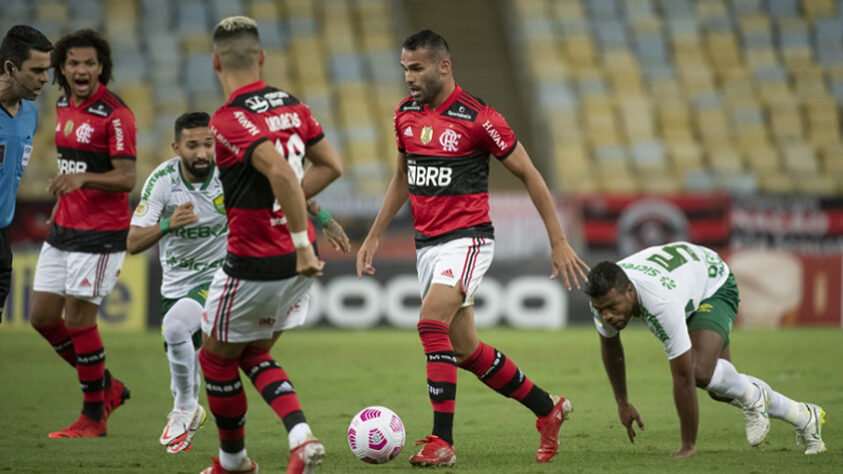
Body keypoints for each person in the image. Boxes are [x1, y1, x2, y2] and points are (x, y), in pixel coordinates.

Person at [356, 30, 590, 467]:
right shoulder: (404, 114)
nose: (408, 77)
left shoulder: (479, 118)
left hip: (467, 239)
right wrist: (372, 236)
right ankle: (547, 409)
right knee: (465, 350)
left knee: (430, 325)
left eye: (417, 68)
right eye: (405, 68)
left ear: (443, 66)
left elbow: (531, 174)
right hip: (428, 245)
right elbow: (402, 178)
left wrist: (558, 241)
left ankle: (441, 442)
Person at [127, 112, 351, 455]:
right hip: (175, 286)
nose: (202, 153)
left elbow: (285, 186)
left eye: (208, 144)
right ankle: (212, 425)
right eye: (192, 146)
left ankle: (187, 411)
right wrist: (169, 224)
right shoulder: (162, 181)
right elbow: (133, 242)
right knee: (204, 350)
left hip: (225, 276)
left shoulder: (229, 170)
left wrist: (324, 219)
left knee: (177, 330)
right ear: (176, 147)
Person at [201, 16, 343, 474]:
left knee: (215, 359)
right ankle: (301, 437)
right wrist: (298, 220)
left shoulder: (228, 119)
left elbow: (281, 173)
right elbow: (331, 166)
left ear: (215, 61)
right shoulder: (293, 105)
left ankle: (233, 463)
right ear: (261, 58)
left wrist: (302, 239)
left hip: (254, 261)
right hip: (293, 265)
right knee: (254, 352)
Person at [585, 241, 827, 457]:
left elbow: (683, 377)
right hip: (685, 283)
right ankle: (804, 416)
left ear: (629, 291)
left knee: (699, 372)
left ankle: (754, 396)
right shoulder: (603, 298)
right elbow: (611, 347)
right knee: (721, 388)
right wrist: (622, 402)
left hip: (713, 285)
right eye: (601, 309)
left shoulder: (660, 304)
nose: (607, 315)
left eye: (612, 307)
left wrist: (687, 445)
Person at [29, 29, 135, 438]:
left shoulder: (116, 114)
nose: (82, 69)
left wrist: (84, 180)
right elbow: (73, 166)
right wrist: (64, 198)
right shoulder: (61, 104)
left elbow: (126, 178)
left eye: (90, 62)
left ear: (102, 66)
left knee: (78, 321)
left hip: (100, 235)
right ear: (62, 67)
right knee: (42, 318)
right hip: (64, 229)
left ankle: (93, 416)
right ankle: (108, 386)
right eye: (74, 62)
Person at [0, 25, 52, 322]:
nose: (45, 78)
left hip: (2, 240)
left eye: (47, 70)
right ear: (10, 67)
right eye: (37, 70)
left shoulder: (30, 114)